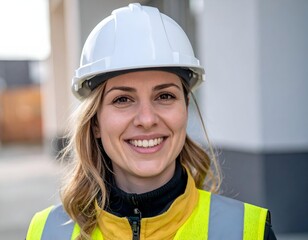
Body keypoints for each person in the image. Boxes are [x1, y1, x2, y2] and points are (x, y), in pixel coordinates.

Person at [26, 3, 276, 240]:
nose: (146, 119)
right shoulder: (46, 232)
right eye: (123, 99)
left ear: (185, 109)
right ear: (95, 123)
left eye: (165, 96)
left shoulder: (246, 230)